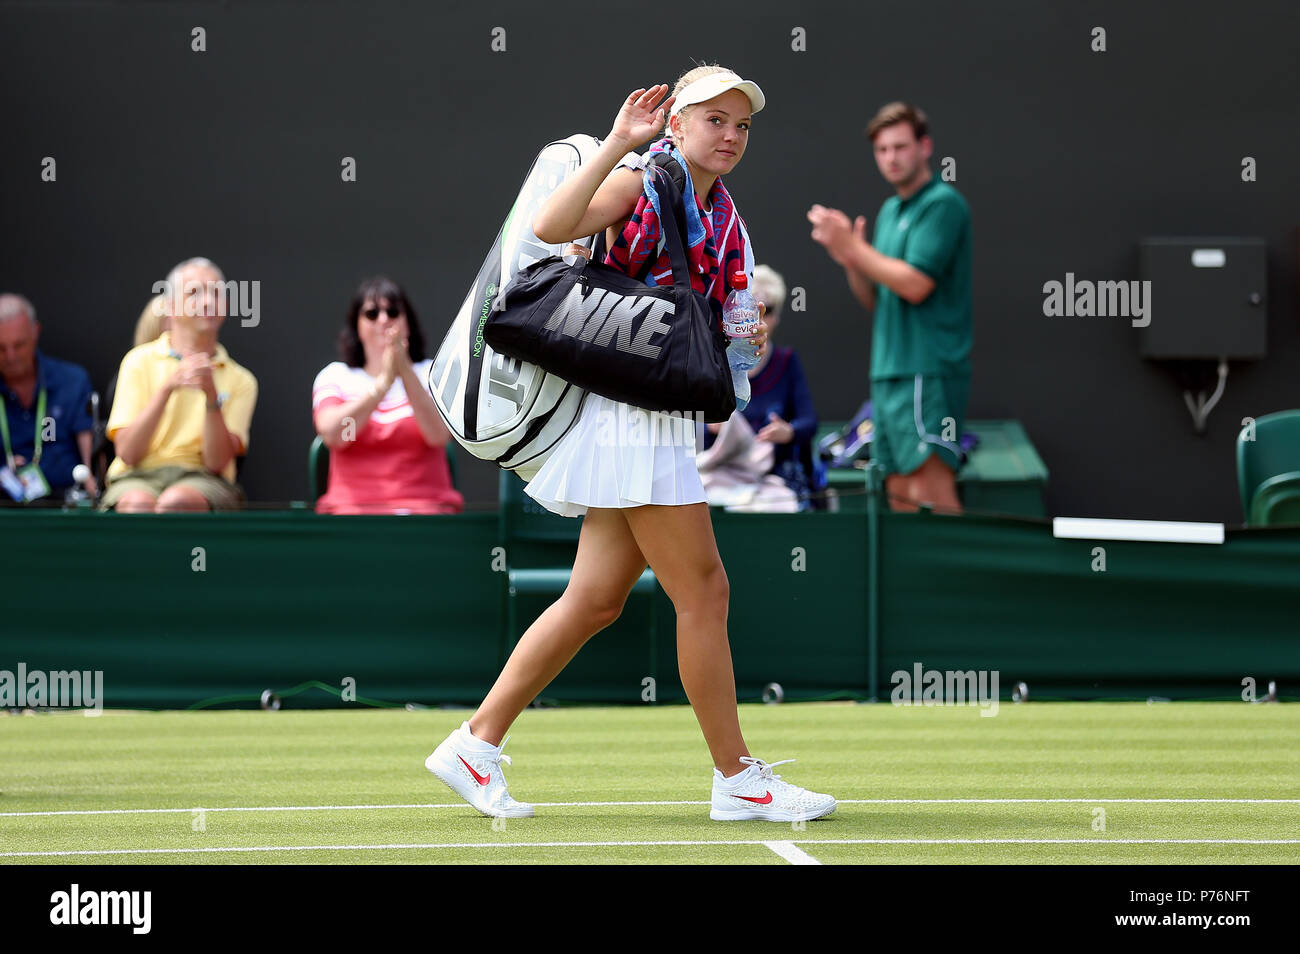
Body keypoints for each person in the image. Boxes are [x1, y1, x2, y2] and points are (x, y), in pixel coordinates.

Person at [424, 67, 837, 822]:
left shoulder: (726, 214)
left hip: (656, 413)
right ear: (676, 124)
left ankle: (473, 744)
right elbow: (550, 227)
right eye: (715, 120)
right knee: (705, 592)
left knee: (593, 600)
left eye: (742, 126)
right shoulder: (641, 179)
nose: (732, 136)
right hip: (630, 416)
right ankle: (737, 778)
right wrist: (619, 142)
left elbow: (727, 318)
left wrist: (737, 339)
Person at [808, 102, 972, 513]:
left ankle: (953, 578)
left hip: (927, 371)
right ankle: (915, 580)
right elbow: (877, 299)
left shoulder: (942, 204)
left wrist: (854, 247)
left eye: (900, 147)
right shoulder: (890, 210)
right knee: (899, 492)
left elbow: (915, 285)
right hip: (888, 373)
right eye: (882, 150)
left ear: (925, 147)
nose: (891, 158)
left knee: (930, 492)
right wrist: (852, 260)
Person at [101, 258, 257, 512]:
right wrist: (167, 387)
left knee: (177, 502)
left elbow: (216, 463)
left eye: (216, 293)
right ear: (171, 306)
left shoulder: (241, 379)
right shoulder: (137, 361)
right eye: (194, 292)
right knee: (137, 503)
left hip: (203, 480)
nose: (208, 302)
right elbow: (128, 454)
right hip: (135, 478)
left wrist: (211, 396)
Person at [312, 277, 463, 515]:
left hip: (427, 512)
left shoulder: (432, 372)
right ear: (357, 326)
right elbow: (333, 435)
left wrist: (405, 370)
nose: (383, 320)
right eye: (372, 314)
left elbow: (438, 436)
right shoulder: (335, 376)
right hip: (353, 513)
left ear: (408, 323)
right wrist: (382, 385)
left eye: (393, 312)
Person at [698, 264, 819, 511]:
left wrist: (788, 431)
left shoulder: (786, 361)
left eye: (769, 310)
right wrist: (711, 425)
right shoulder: (715, 359)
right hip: (719, 471)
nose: (759, 318)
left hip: (772, 477)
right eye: (751, 309)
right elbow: (685, 420)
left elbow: (809, 422)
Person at [0, 294, 96, 502]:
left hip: (65, 501)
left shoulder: (72, 381)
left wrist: (90, 477)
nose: (10, 357)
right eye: (1, 348)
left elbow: (88, 437)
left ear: (35, 332)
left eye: (19, 345)